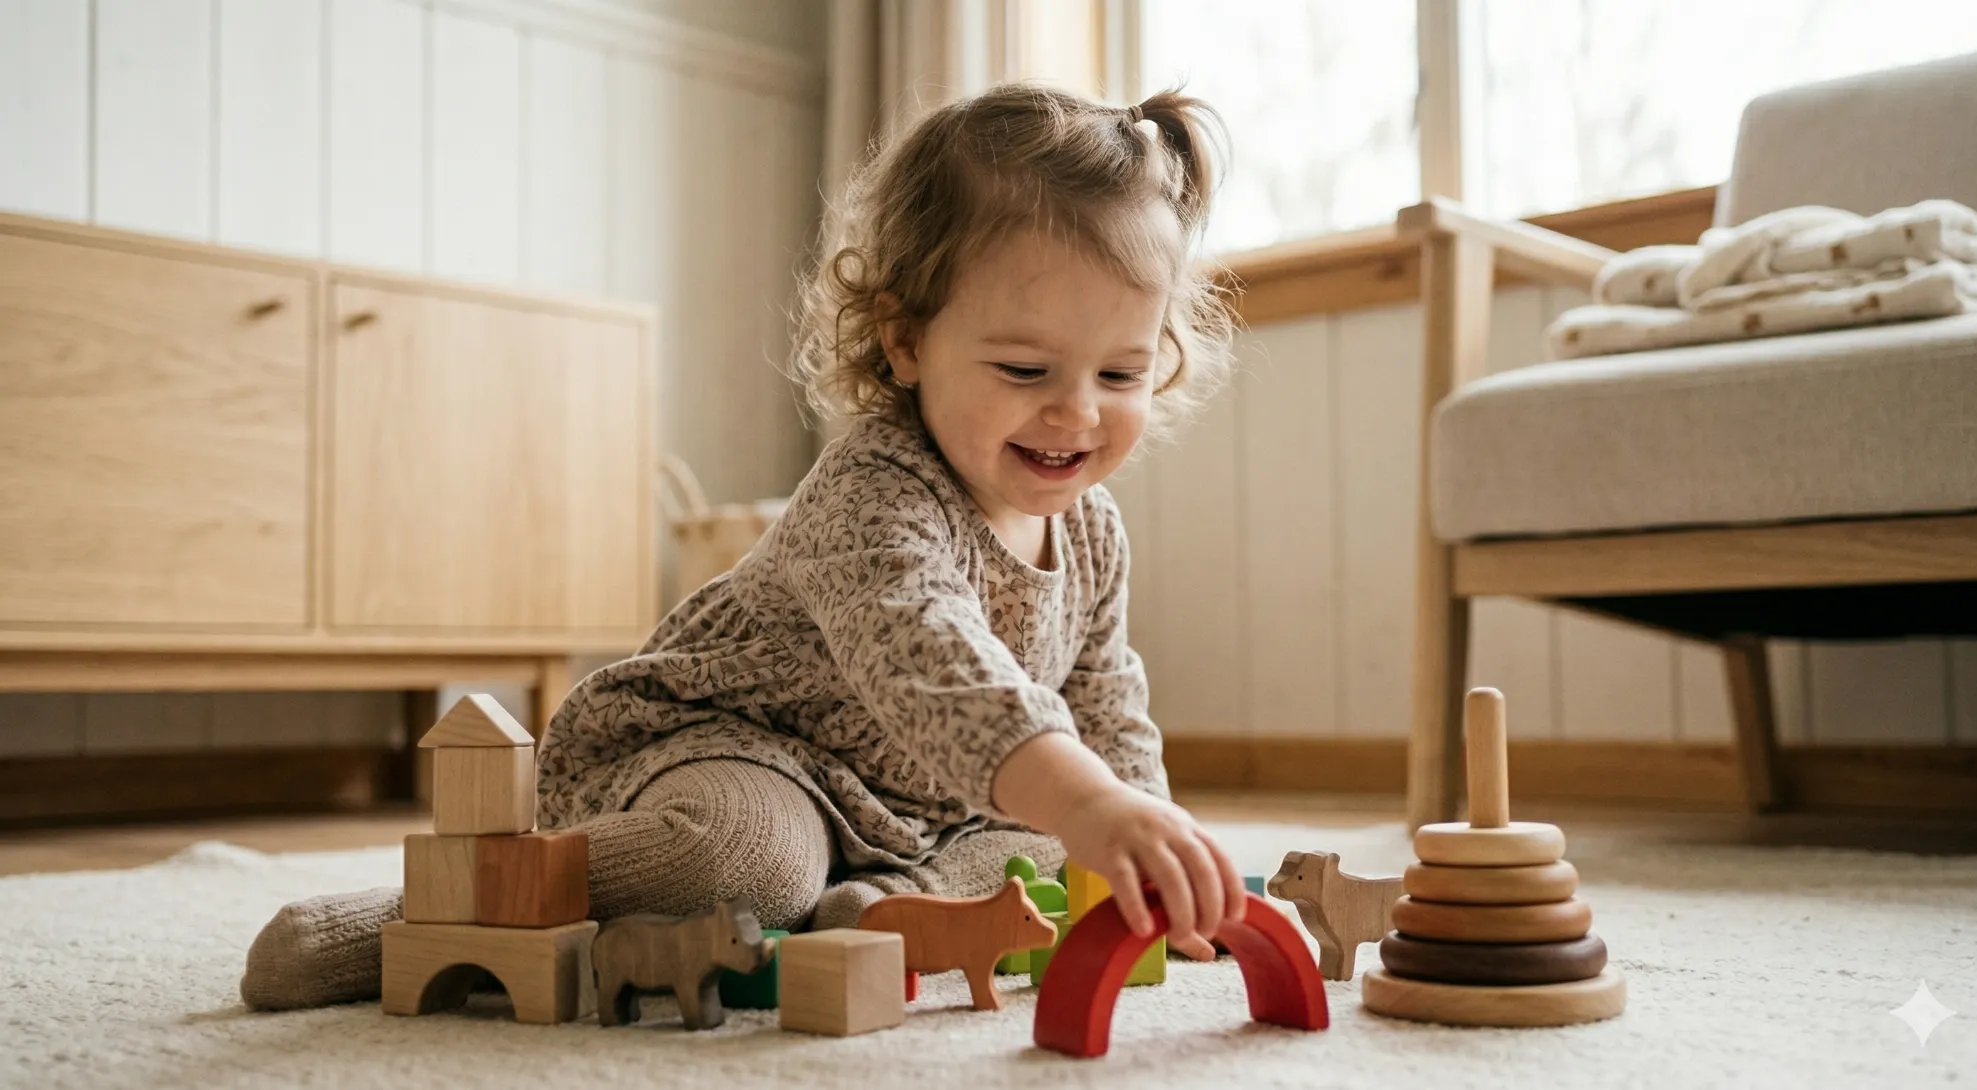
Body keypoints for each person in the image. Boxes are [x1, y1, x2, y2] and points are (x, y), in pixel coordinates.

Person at [241, 82, 1242, 1011]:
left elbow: (1104, 702)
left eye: (1120, 372)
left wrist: (1144, 840)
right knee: (746, 867)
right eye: (1024, 367)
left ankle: (891, 910)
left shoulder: (1092, 531)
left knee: (1035, 856)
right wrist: (1091, 804)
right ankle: (421, 918)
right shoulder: (876, 488)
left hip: (917, 820)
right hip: (741, 752)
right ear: (903, 339)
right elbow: (934, 668)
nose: (1075, 412)